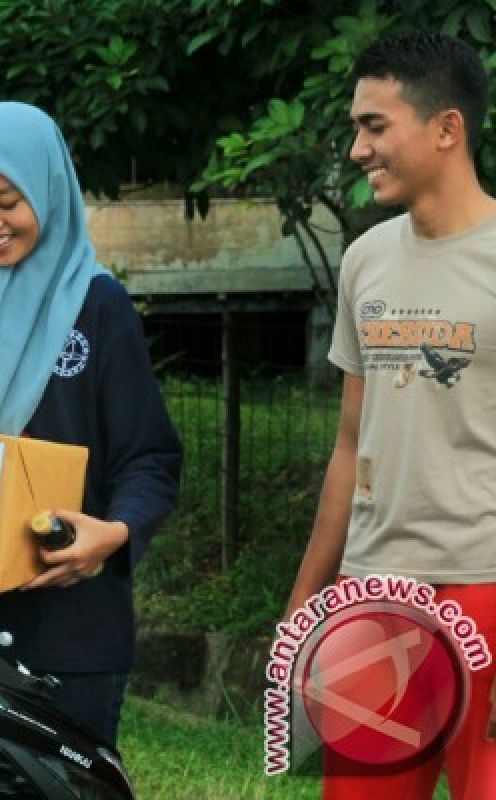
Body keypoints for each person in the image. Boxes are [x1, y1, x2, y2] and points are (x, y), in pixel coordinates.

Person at [0, 101, 182, 744]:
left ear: (49, 193)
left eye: (8, 200)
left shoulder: (97, 306)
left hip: (70, 632)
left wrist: (115, 533)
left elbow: (149, 458)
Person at [285, 32, 496, 799]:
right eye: (356, 128)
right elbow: (351, 444)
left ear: (447, 128)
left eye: (375, 126)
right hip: (375, 599)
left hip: (486, 588)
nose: (356, 149)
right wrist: (308, 596)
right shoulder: (365, 261)